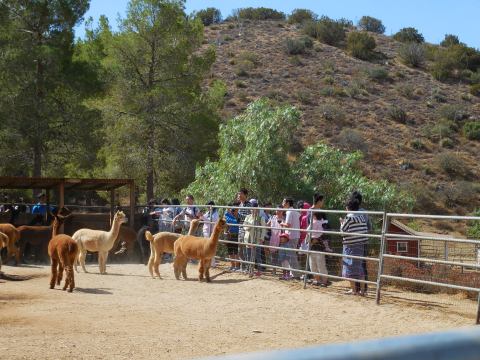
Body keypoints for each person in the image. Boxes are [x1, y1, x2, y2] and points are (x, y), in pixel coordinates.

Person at [340, 197, 369, 296]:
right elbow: (365, 230)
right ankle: (362, 290)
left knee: (350, 267)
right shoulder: (361, 217)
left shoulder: (349, 218)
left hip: (350, 246)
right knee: (359, 267)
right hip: (360, 245)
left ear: (348, 207)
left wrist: (341, 223)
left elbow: (343, 232)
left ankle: (354, 290)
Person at [351, 191, 371, 294]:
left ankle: (356, 288)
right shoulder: (365, 212)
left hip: (353, 242)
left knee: (354, 264)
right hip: (363, 241)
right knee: (362, 264)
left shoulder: (352, 213)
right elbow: (369, 226)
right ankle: (364, 289)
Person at [242, 199, 266, 277]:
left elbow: (264, 229)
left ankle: (259, 270)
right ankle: (249, 269)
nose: (252, 210)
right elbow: (244, 225)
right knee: (248, 255)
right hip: (248, 238)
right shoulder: (248, 216)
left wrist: (262, 238)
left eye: (254, 208)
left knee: (257, 256)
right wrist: (247, 227)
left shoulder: (260, 218)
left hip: (257, 239)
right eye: (252, 208)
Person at [308, 212, 331, 287]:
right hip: (311, 247)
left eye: (313, 215)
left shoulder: (324, 225)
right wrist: (310, 240)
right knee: (312, 265)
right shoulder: (312, 224)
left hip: (320, 248)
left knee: (321, 265)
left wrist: (317, 239)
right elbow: (307, 234)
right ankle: (317, 279)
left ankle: (324, 281)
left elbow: (325, 236)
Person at [281, 197, 301, 279]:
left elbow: (288, 225)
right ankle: (294, 274)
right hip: (295, 235)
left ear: (287, 203)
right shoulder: (295, 211)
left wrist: (282, 223)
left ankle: (296, 275)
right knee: (292, 256)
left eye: (283, 202)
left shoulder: (289, 212)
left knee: (291, 256)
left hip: (291, 236)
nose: (282, 203)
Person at [200, 201, 219, 268]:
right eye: (207, 206)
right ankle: (209, 262)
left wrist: (202, 217)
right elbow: (203, 219)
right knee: (207, 248)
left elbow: (211, 221)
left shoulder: (216, 213)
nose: (207, 208)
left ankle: (212, 263)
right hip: (206, 231)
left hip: (211, 232)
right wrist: (200, 216)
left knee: (211, 248)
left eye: (208, 206)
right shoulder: (208, 212)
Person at [236, 188, 251, 272]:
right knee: (240, 248)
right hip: (240, 229)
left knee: (246, 249)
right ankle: (242, 266)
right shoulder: (240, 205)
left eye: (240, 194)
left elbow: (249, 218)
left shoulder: (249, 204)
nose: (239, 195)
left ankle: (248, 268)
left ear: (245, 195)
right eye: (238, 194)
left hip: (246, 230)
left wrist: (237, 214)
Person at [267, 205, 284, 276]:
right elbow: (267, 225)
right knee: (273, 255)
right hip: (273, 238)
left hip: (281, 238)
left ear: (282, 211)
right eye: (277, 210)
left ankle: (284, 271)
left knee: (282, 255)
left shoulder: (284, 218)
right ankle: (274, 270)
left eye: (279, 210)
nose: (278, 212)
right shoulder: (272, 217)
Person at [225, 203, 240, 271]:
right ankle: (232, 265)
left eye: (233, 208)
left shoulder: (238, 216)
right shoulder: (227, 215)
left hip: (236, 235)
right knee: (230, 251)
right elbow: (225, 223)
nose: (232, 210)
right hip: (229, 235)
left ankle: (237, 266)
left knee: (236, 251)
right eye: (230, 208)